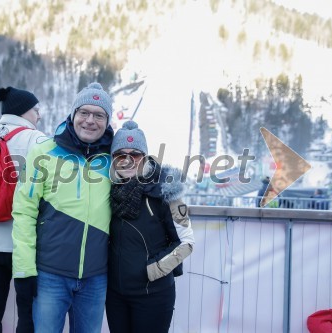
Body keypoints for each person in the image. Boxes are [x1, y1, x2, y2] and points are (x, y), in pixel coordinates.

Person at [12, 82, 114, 333]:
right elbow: (24, 211)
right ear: (73, 115)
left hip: (96, 277)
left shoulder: (115, 159)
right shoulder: (43, 152)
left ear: (107, 121)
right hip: (50, 275)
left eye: (99, 115)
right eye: (84, 113)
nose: (90, 121)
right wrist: (24, 270)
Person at [105, 120, 195, 333]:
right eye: (120, 154)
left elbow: (186, 242)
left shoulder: (166, 192)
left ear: (144, 157)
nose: (127, 160)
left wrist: (152, 269)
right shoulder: (108, 190)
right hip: (116, 295)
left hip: (153, 294)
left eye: (134, 154)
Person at [0, 87, 46, 333]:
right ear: (24, 111)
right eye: (36, 110)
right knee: (27, 312)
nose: (39, 115)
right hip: (23, 244)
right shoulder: (36, 139)